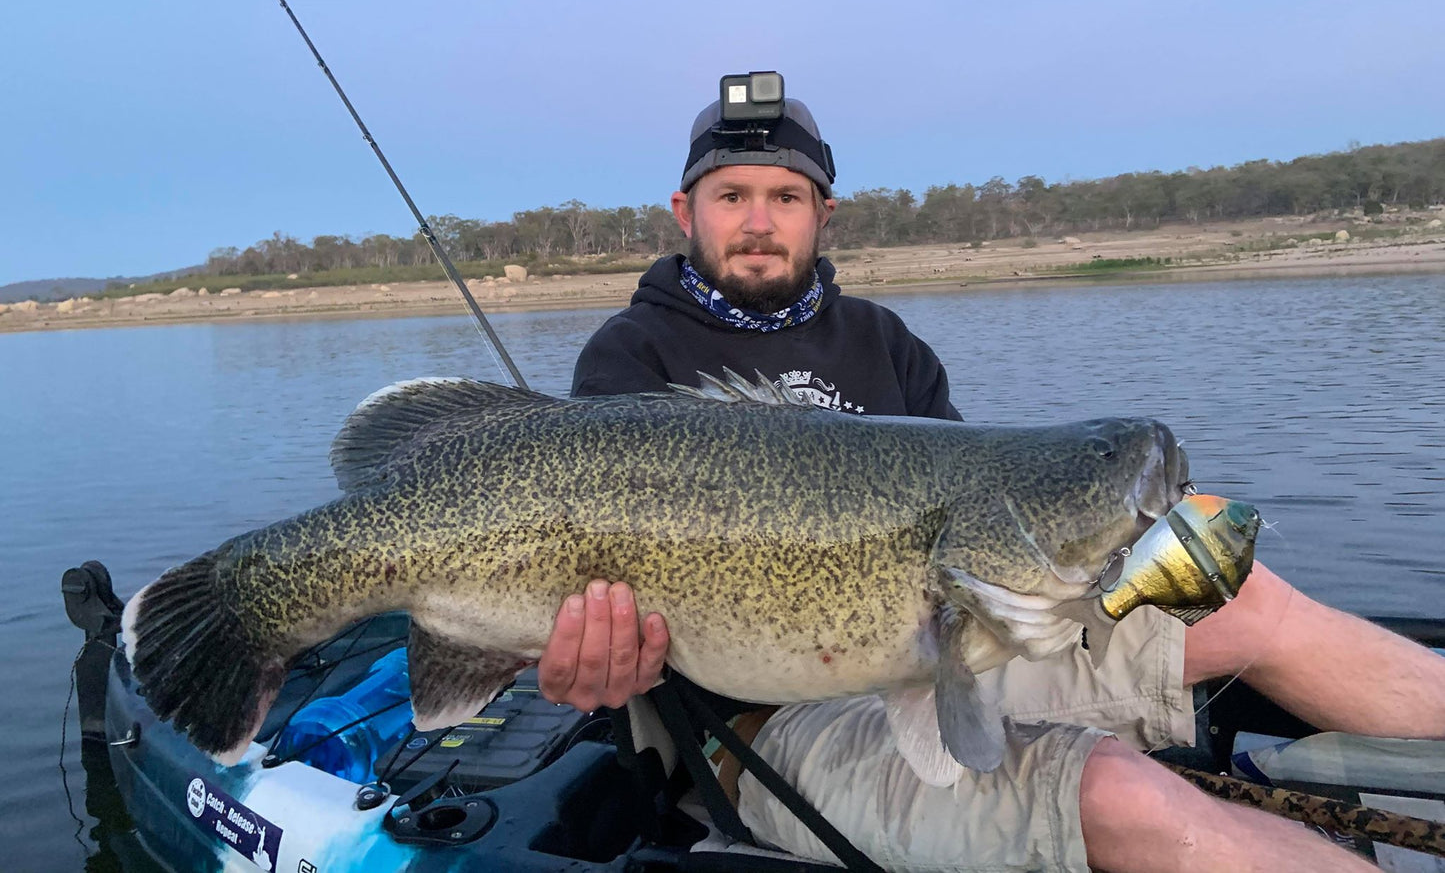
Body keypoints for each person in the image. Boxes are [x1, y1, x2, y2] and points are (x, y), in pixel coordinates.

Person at [539, 74, 1445, 873]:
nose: (758, 220)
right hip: (760, 726)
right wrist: (588, 659)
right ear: (684, 210)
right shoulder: (631, 357)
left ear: (823, 214)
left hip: (953, 647)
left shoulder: (884, 342)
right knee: (1117, 795)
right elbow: (585, 597)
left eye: (786, 195)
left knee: (1245, 600)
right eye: (731, 194)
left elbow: (971, 522)